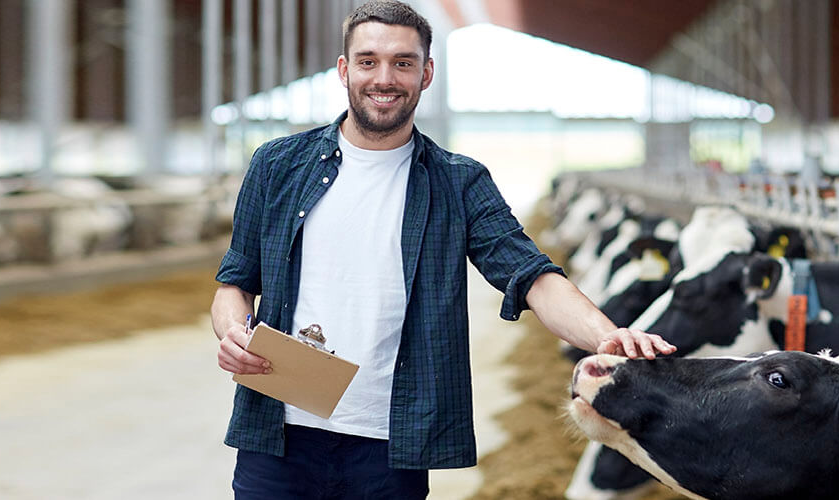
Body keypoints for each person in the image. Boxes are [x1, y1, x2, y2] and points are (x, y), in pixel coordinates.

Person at [210, 2, 675, 498]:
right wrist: (235, 333)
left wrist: (608, 336)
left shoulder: (458, 181)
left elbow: (531, 275)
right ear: (344, 70)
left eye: (403, 63)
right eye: (368, 61)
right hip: (278, 436)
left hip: (390, 446)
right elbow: (235, 282)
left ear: (426, 73)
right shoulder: (278, 165)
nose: (384, 78)